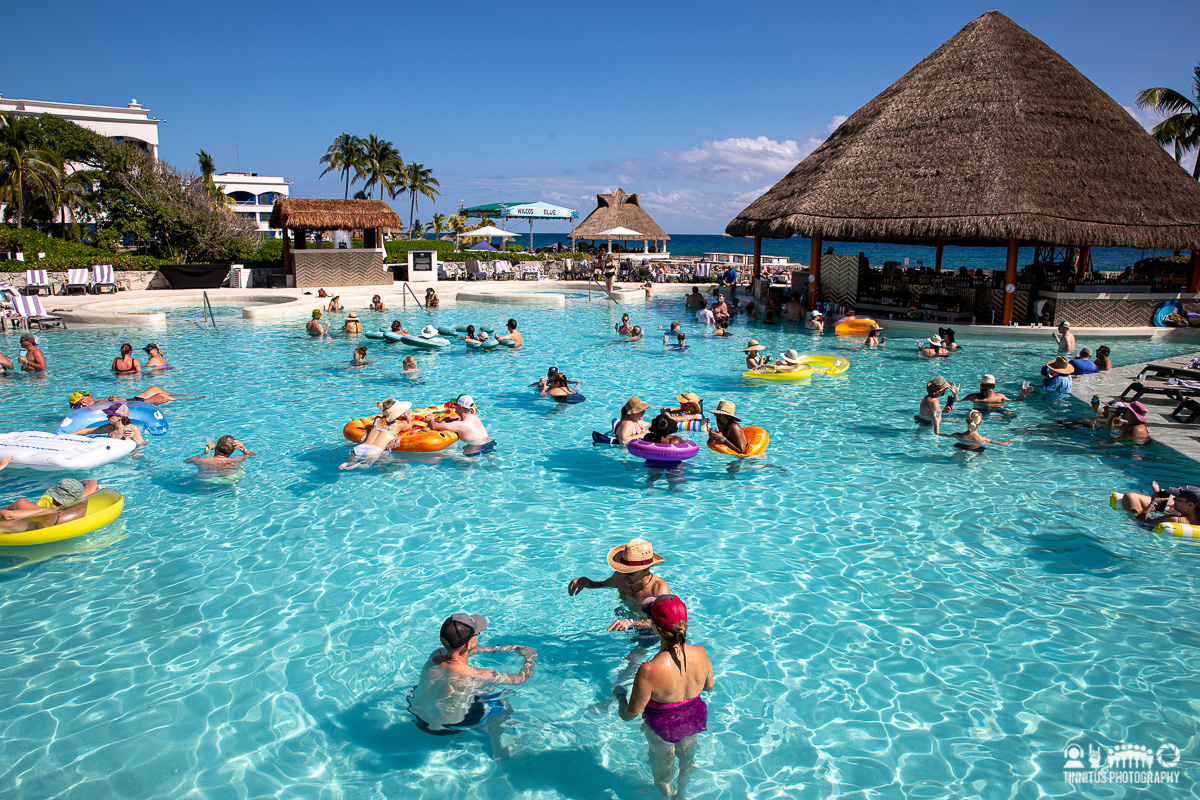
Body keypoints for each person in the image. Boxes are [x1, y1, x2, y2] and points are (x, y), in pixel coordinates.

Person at [614, 595, 714, 800]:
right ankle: (683, 795)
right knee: (687, 764)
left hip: (662, 727)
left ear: (655, 627)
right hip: (694, 719)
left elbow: (629, 715)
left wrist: (620, 696)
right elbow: (709, 688)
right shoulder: (702, 653)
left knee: (662, 773)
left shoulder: (649, 670)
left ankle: (667, 796)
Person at [408, 612, 537, 751]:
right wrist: (530, 659)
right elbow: (520, 679)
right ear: (469, 643)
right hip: (449, 727)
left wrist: (500, 648)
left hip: (418, 718)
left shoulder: (435, 655)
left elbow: (464, 652)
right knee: (502, 701)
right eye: (477, 634)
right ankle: (499, 749)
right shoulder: (481, 675)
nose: (478, 635)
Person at [568, 538, 671, 629]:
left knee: (636, 651)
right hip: (623, 618)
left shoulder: (659, 589)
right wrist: (586, 582)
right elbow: (600, 585)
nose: (623, 575)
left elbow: (663, 622)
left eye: (630, 572)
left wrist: (630, 622)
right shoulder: (619, 577)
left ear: (646, 569)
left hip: (649, 629)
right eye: (622, 570)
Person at [339, 399, 414, 470]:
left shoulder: (377, 419)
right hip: (374, 451)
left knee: (351, 462)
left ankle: (348, 463)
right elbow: (409, 425)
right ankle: (357, 465)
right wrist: (408, 419)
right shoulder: (399, 425)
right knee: (365, 465)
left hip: (360, 447)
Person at [1, 476, 100, 521]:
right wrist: (74, 487)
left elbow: (7, 515)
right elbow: (92, 482)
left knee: (20, 502)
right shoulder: (81, 500)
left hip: (37, 517)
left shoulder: (49, 511)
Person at [1117, 483, 1200, 527]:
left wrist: (1153, 503)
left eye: (1178, 499)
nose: (1174, 499)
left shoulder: (1173, 519)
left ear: (1190, 505)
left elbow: (1141, 522)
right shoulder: (1195, 518)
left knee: (1129, 497)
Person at [71, 403, 146, 446]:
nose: (107, 416)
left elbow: (142, 444)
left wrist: (133, 438)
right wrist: (69, 435)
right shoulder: (110, 428)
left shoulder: (132, 428)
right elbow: (88, 431)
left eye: (110, 415)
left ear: (120, 416)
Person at [942, 410, 1014, 448]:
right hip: (975, 449)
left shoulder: (957, 435)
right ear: (979, 423)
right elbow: (1003, 444)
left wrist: (937, 424)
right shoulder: (983, 439)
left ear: (966, 421)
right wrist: (1010, 440)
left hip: (960, 446)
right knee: (982, 451)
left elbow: (938, 434)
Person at [184, 435, 255, 471]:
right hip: (227, 483)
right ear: (232, 451)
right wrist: (244, 449)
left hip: (206, 482)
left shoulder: (201, 461)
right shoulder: (236, 460)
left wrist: (204, 453)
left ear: (215, 447)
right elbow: (252, 454)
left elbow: (186, 461)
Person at [960, 374, 1033, 406]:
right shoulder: (973, 397)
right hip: (979, 414)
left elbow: (1015, 403)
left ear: (993, 388)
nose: (984, 388)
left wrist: (1022, 395)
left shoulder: (1000, 397)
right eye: (982, 386)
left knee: (1011, 416)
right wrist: (955, 394)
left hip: (997, 412)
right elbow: (957, 402)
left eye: (987, 386)